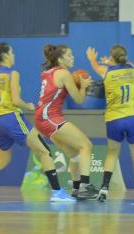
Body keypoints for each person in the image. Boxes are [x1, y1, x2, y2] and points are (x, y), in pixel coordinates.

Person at [0, 42, 75, 202]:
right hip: (11, 118)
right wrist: (28, 105)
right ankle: (57, 192)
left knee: (3, 160)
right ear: (6, 55)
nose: (14, 55)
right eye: (12, 52)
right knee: (44, 151)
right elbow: (16, 100)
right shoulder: (12, 73)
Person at [86, 44, 134, 203]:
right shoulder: (132, 69)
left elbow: (95, 66)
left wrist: (94, 59)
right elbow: (126, 63)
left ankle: (104, 188)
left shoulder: (105, 71)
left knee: (112, 154)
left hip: (114, 119)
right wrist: (111, 60)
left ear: (111, 57)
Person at [35, 44, 98, 200]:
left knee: (75, 154)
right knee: (86, 145)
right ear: (60, 58)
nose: (73, 57)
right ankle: (84, 186)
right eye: (70, 55)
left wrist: (76, 83)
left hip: (42, 119)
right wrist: (82, 86)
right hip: (50, 117)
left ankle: (76, 188)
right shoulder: (64, 73)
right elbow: (79, 99)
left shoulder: (48, 72)